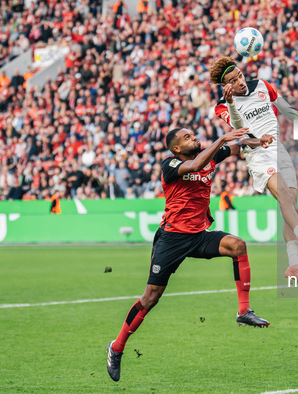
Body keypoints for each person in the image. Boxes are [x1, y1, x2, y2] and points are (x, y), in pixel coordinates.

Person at [106, 127, 274, 382]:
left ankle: (243, 311)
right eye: (186, 137)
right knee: (151, 298)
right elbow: (196, 165)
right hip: (172, 239)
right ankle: (116, 347)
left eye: (193, 134)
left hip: (197, 235)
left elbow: (238, 147)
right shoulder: (170, 164)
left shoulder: (210, 155)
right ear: (176, 148)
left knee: (238, 246)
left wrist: (257, 141)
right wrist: (221, 140)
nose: (193, 137)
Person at [209, 57, 298, 281]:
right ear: (225, 86)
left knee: (292, 205)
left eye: (239, 75)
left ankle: (294, 265)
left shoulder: (261, 85)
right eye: (233, 80)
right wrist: (231, 104)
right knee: (285, 196)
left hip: (279, 149)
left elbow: (286, 109)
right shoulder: (222, 106)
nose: (240, 81)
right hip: (258, 153)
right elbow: (239, 129)